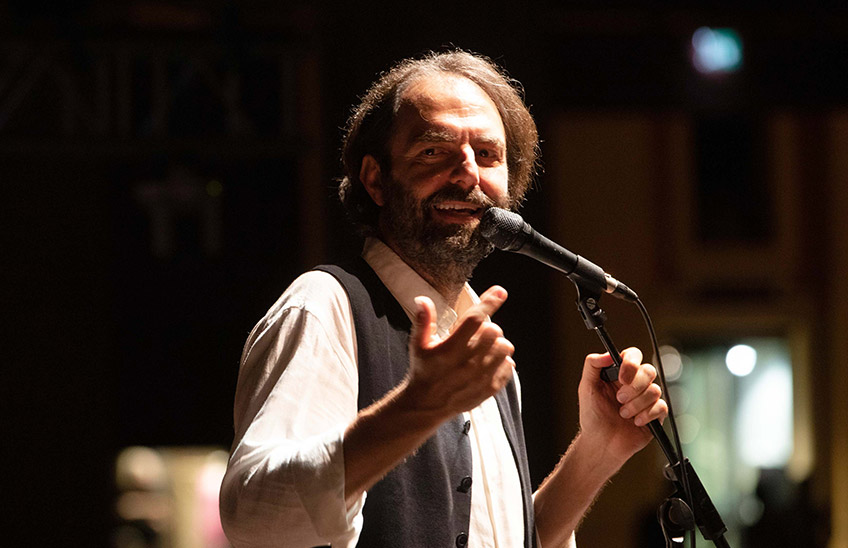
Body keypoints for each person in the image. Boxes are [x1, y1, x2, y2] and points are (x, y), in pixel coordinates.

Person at [219, 50, 668, 548]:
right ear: (375, 179)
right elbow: (253, 516)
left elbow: (504, 538)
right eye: (433, 151)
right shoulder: (324, 306)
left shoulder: (485, 350)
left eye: (488, 154)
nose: (468, 174)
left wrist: (598, 452)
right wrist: (418, 406)